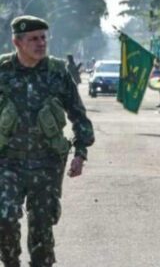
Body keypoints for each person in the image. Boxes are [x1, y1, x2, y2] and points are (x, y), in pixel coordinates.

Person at [0, 15, 94, 267]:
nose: (41, 43)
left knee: (42, 226)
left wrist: (80, 153)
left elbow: (78, 115)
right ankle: (10, 262)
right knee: (5, 217)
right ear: (17, 42)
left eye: (44, 37)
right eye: (33, 39)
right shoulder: (2, 71)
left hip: (46, 163)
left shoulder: (58, 72)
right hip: (7, 162)